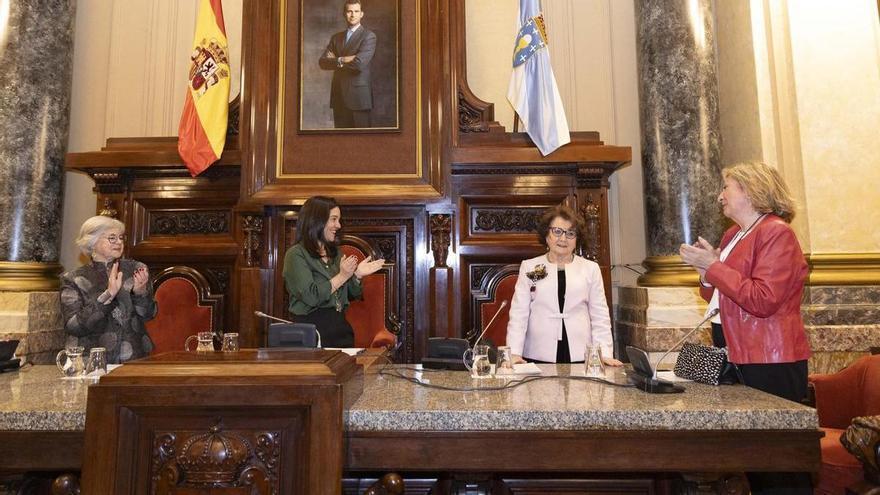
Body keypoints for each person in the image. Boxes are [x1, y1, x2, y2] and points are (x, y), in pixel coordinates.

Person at [680, 161, 811, 494]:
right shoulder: (734, 235)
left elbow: (762, 299)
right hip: (737, 350)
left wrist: (714, 266)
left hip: (770, 360)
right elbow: (715, 293)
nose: (720, 195)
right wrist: (706, 268)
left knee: (778, 465)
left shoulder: (776, 233)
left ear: (751, 192)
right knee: (753, 460)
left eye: (727, 187)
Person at [506, 205, 623, 366]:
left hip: (581, 352)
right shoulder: (529, 267)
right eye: (557, 231)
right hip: (538, 352)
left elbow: (600, 315)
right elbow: (519, 314)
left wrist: (604, 352)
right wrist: (514, 353)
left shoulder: (590, 269)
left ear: (577, 239)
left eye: (570, 233)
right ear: (547, 235)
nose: (563, 239)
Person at [283, 196, 384, 347]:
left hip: (340, 328)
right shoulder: (296, 254)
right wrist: (343, 276)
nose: (338, 225)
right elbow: (311, 296)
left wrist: (357, 275)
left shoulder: (336, 253)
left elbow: (350, 294)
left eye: (339, 220)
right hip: (311, 332)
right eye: (334, 219)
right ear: (316, 221)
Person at [59, 215, 157, 364]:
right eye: (112, 238)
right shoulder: (74, 279)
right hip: (91, 361)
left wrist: (140, 293)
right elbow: (73, 326)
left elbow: (149, 315)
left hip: (134, 357)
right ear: (92, 242)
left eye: (121, 237)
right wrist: (108, 296)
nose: (119, 242)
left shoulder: (137, 269)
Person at [318, 0, 376, 128]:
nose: (353, 15)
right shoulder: (336, 38)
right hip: (338, 96)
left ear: (362, 14)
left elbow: (358, 64)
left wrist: (335, 60)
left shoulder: (368, 36)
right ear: (344, 13)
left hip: (359, 98)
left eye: (356, 11)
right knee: (340, 142)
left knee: (361, 143)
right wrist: (342, 59)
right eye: (349, 11)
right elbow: (322, 62)